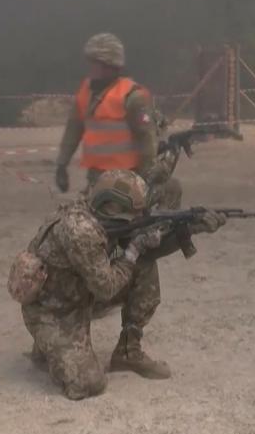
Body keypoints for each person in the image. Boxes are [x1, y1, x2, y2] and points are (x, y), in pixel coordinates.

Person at [21, 170, 224, 400]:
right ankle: (49, 344)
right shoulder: (81, 230)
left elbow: (143, 254)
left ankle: (128, 350)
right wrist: (134, 248)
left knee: (143, 264)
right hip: (53, 311)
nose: (138, 217)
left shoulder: (99, 215)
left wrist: (190, 229)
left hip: (80, 292)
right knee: (89, 383)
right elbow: (106, 288)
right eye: (133, 213)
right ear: (112, 207)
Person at [54, 33, 158, 195]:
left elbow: (147, 140)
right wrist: (62, 164)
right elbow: (73, 128)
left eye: (95, 63)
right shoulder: (86, 92)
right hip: (95, 177)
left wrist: (145, 180)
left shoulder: (133, 96)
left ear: (110, 66)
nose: (91, 68)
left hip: (126, 178)